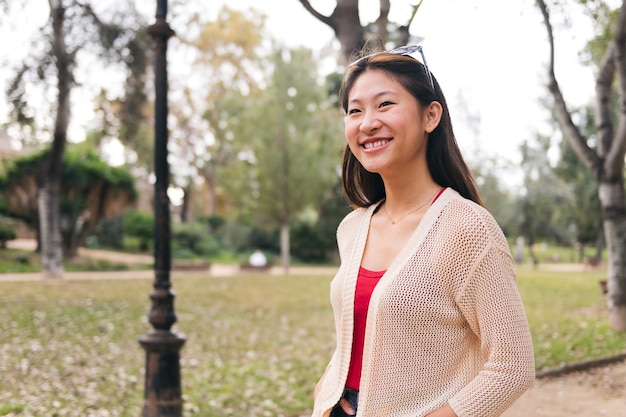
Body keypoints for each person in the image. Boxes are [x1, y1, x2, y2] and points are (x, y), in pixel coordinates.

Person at [310, 45, 535, 417]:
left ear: (430, 116)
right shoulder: (352, 228)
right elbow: (363, 330)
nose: (367, 123)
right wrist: (326, 390)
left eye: (385, 105)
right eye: (355, 110)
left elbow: (513, 365)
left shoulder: (467, 228)